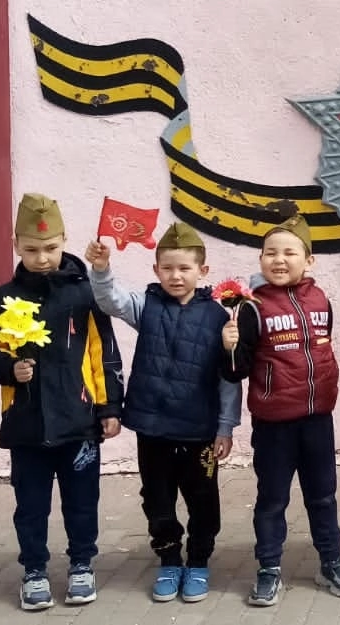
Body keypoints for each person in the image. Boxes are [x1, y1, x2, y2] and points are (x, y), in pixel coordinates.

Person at [0, 193, 124, 611]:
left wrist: (110, 408)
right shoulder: (5, 296)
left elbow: (104, 352)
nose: (42, 258)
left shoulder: (85, 294)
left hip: (80, 423)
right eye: (32, 250)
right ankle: (34, 570)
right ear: (16, 245)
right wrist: (8, 369)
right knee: (31, 506)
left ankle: (82, 565)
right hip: (27, 425)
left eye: (51, 248)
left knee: (82, 502)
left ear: (64, 241)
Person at [86, 222, 241, 603]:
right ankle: (169, 559)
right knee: (157, 498)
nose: (176, 276)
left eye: (185, 268)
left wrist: (225, 427)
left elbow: (228, 379)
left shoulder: (219, 318)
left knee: (203, 499)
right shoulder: (148, 306)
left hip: (199, 431)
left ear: (203, 271)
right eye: (168, 268)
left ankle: (199, 561)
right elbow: (111, 300)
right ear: (156, 270)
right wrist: (102, 270)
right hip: (153, 428)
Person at [224, 215, 340, 605]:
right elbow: (235, 371)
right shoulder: (251, 308)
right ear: (261, 259)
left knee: (323, 496)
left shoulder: (321, 300)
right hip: (274, 425)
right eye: (270, 253)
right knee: (272, 499)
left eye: (289, 252)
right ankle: (268, 568)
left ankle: (331, 561)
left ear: (309, 260)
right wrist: (229, 347)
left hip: (318, 419)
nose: (279, 260)